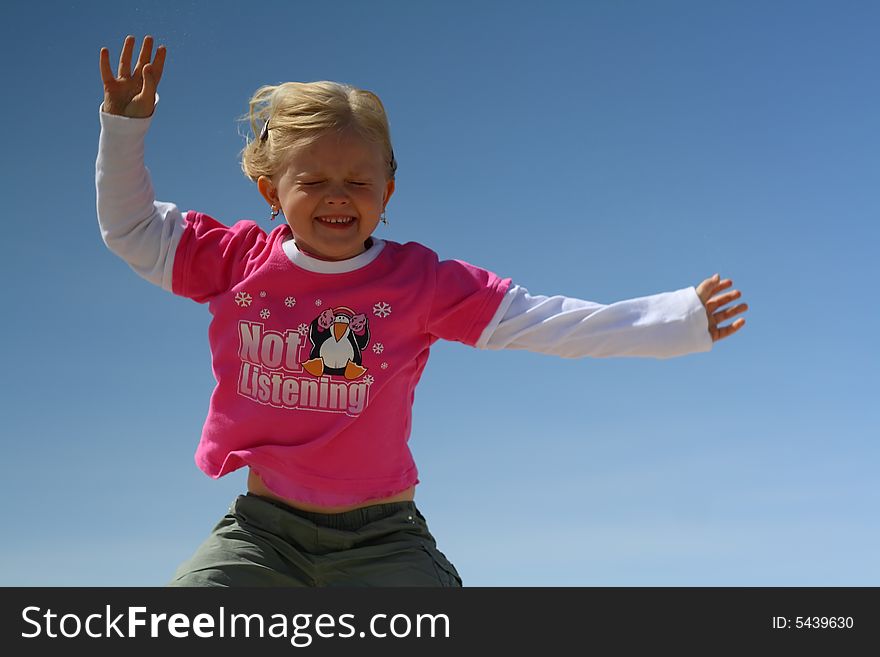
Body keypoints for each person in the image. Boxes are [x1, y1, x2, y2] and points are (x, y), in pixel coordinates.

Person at [96, 35, 748, 587]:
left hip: (385, 540)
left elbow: (545, 321)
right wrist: (124, 127)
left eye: (358, 181)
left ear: (387, 190)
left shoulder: (419, 282)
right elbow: (132, 230)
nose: (338, 196)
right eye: (314, 180)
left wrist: (677, 320)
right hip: (263, 537)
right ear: (272, 188)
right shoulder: (238, 262)